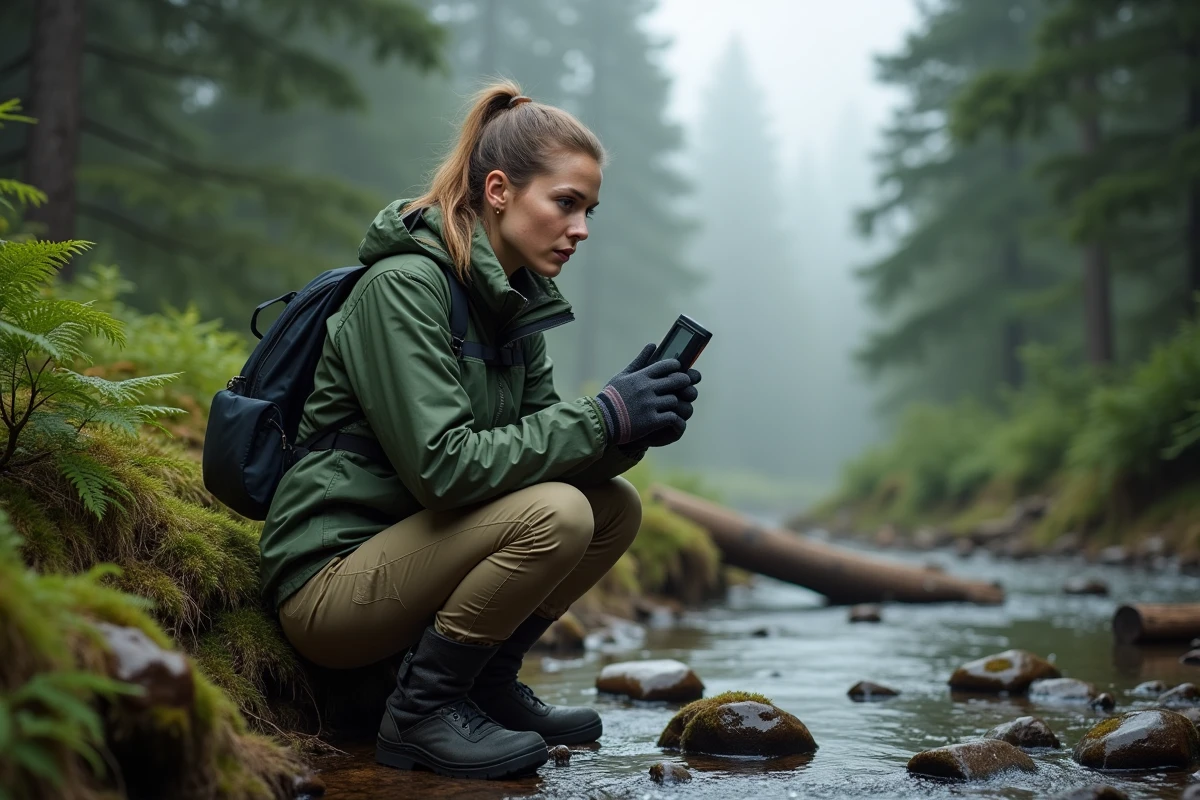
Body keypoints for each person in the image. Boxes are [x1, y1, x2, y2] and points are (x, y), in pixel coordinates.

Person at [257, 80, 701, 780]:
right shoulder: (404, 287)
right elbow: (445, 469)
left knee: (612, 509)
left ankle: (485, 687)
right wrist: (602, 414)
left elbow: (537, 454)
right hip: (332, 583)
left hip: (413, 556)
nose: (581, 228)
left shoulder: (509, 306)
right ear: (499, 190)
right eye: (565, 203)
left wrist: (628, 427)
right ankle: (420, 715)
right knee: (555, 515)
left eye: (588, 209)